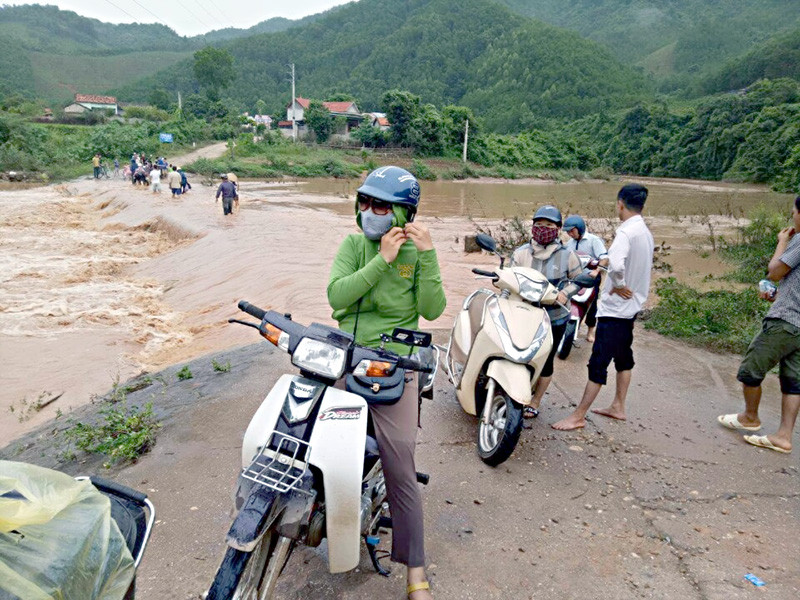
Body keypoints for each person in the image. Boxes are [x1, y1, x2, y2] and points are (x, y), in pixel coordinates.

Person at [327, 166, 445, 599]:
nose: (370, 211)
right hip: (347, 355)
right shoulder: (354, 245)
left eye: (381, 205)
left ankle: (416, 572)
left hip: (396, 365)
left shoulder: (418, 254)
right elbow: (338, 297)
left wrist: (426, 255)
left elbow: (432, 310)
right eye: (365, 202)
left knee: (401, 466)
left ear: (403, 214)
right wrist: (382, 261)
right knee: (309, 440)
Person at [552, 184, 654, 431]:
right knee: (623, 358)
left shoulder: (625, 233)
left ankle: (578, 415)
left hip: (615, 310)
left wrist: (618, 284)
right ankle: (618, 406)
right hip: (630, 309)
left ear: (620, 203)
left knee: (597, 363)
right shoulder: (644, 232)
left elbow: (617, 265)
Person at [717, 196, 800, 454]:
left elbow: (774, 271)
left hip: (785, 321)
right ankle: (783, 437)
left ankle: (750, 417)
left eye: (793, 212)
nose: (792, 217)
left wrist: (782, 242)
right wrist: (778, 294)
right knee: (793, 382)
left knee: (750, 370)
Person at [510, 205, 582, 418]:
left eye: (549, 225)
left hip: (555, 317)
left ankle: (536, 399)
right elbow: (510, 278)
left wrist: (565, 293)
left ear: (558, 228)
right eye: (538, 225)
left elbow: (579, 280)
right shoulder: (521, 253)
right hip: (524, 314)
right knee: (517, 354)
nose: (543, 229)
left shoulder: (567, 255)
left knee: (546, 360)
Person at [563, 215, 609, 342]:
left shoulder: (594, 240)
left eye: (572, 230)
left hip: (591, 278)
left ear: (580, 228)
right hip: (574, 278)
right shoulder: (569, 244)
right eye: (567, 231)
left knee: (592, 305)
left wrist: (596, 270)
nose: (569, 233)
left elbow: (604, 258)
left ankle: (590, 331)